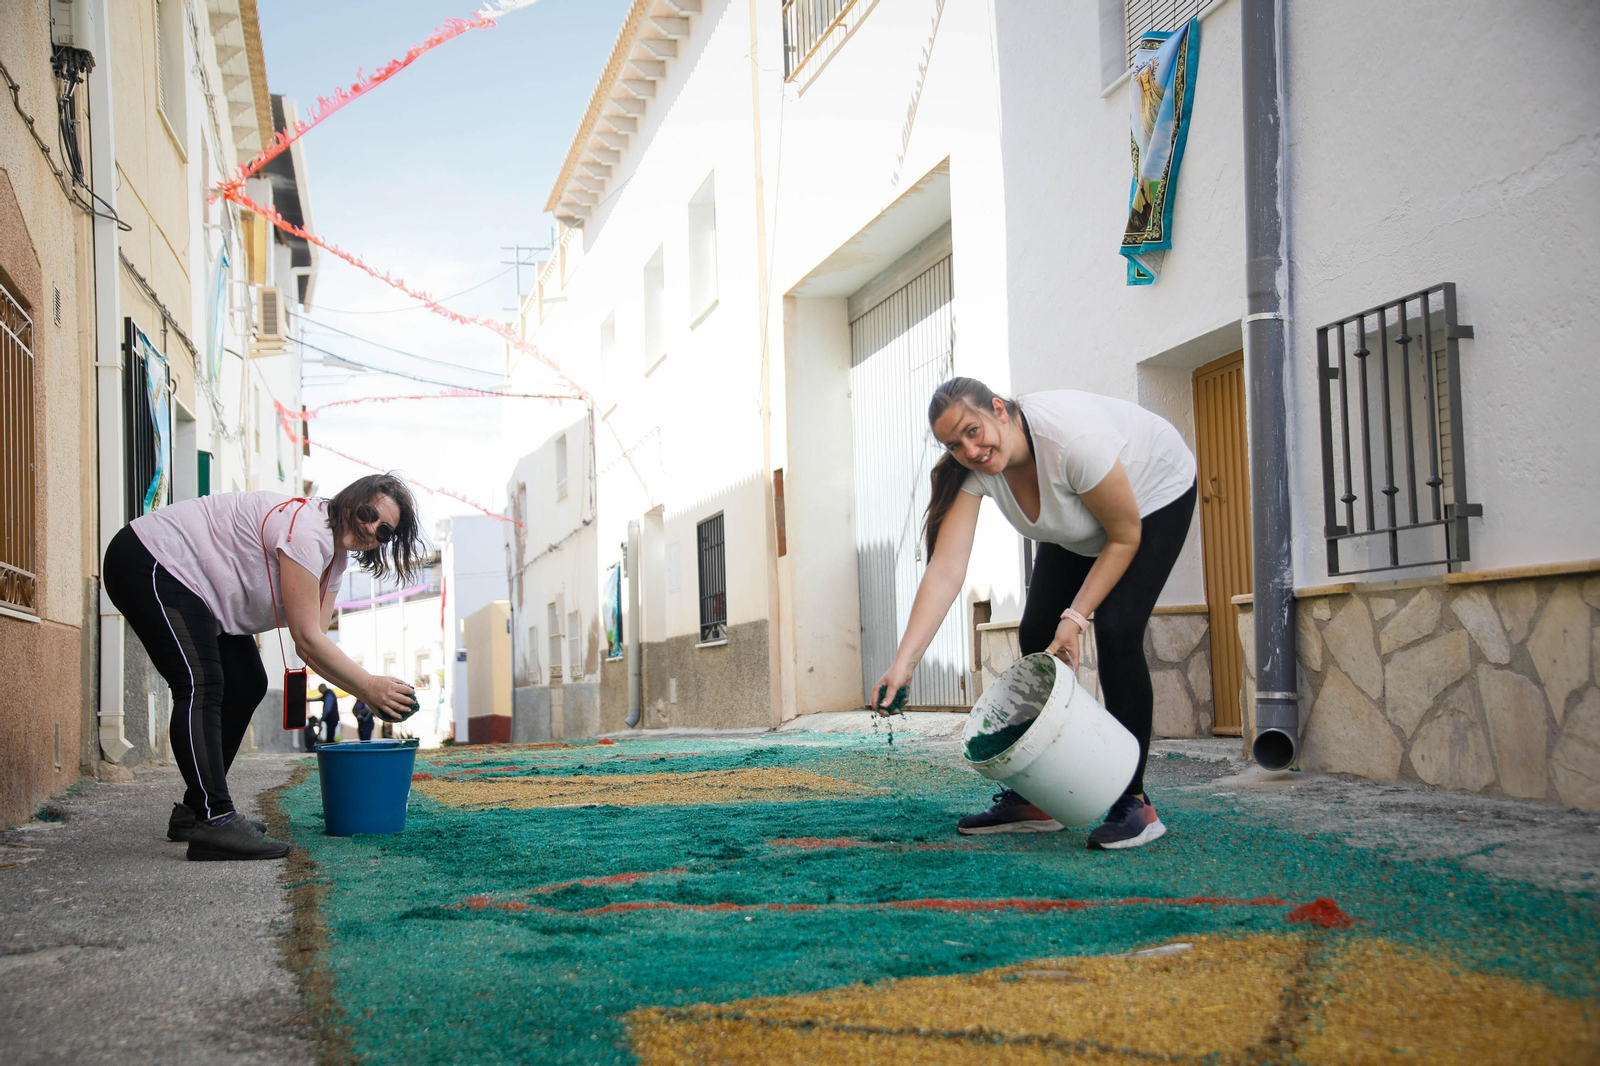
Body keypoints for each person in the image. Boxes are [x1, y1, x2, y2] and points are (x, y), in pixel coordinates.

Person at [873, 379, 1196, 850]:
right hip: (1079, 522)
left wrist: (1077, 616)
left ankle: (1134, 803)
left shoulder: (1073, 444)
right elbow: (945, 571)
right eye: (953, 444)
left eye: (973, 430)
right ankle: (1041, 797)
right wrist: (904, 664)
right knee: (1035, 634)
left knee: (1118, 628)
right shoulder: (975, 469)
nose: (970, 449)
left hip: (1152, 499)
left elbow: (1123, 536)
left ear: (999, 410)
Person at [102, 473, 425, 861]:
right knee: (201, 684)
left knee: (246, 682)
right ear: (351, 499)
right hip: (152, 560)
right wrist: (369, 686)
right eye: (370, 513)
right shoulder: (308, 528)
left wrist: (367, 692)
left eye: (385, 530)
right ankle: (216, 820)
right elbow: (307, 637)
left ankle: (194, 813)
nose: (372, 527)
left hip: (203, 595)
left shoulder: (334, 562)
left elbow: (313, 647)